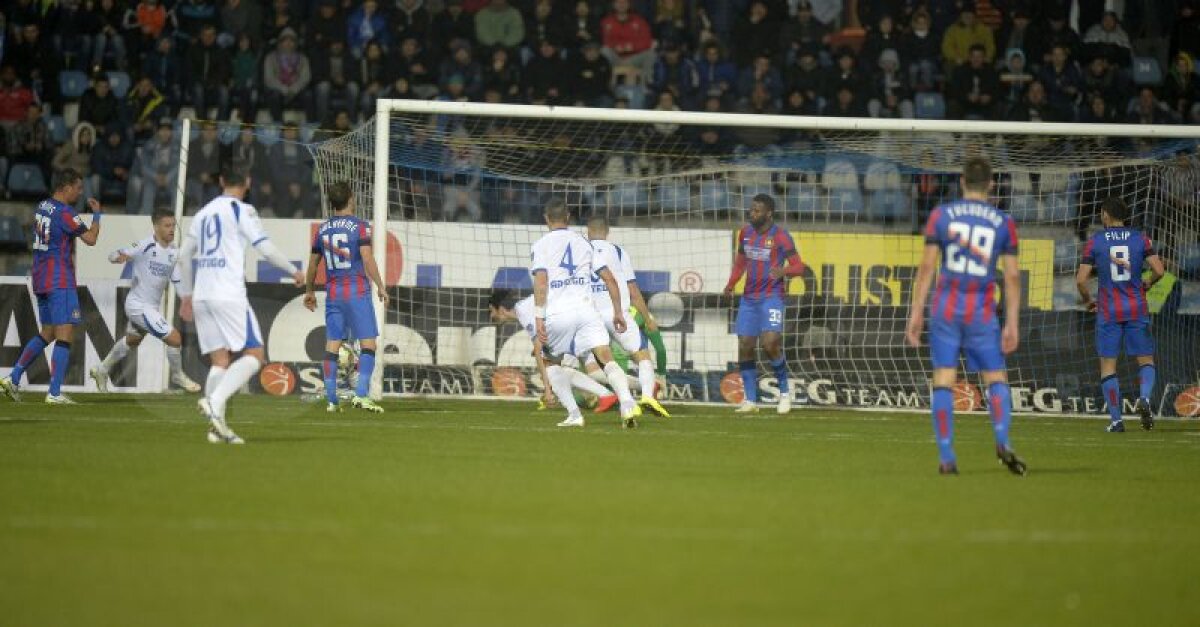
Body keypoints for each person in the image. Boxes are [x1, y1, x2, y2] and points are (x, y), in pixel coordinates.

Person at [904, 157, 1026, 476]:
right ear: (991, 184)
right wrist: (1012, 322)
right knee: (995, 377)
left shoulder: (941, 215)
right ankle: (1002, 440)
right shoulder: (1003, 222)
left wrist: (916, 312)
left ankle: (947, 457)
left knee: (944, 377)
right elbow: (1012, 276)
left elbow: (927, 267)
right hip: (981, 310)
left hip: (946, 307)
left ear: (961, 182)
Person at [178, 167, 304, 444]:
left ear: (221, 181)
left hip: (202, 295)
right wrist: (293, 271)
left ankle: (216, 429)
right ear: (247, 183)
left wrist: (185, 295)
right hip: (228, 293)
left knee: (220, 360)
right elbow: (265, 249)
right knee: (255, 355)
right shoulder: (242, 210)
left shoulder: (203, 213)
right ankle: (214, 401)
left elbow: (183, 256)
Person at [530, 198, 640, 428]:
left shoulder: (541, 245)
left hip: (559, 313)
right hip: (587, 312)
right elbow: (610, 279)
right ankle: (627, 403)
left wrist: (539, 317)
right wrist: (618, 312)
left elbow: (541, 283)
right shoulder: (584, 243)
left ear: (546, 219)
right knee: (606, 358)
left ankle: (574, 414)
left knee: (550, 362)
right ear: (568, 217)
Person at [0, 169, 102, 404]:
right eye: (78, 188)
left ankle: (13, 378)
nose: (80, 192)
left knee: (48, 332)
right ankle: (54, 392)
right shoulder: (66, 212)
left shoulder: (42, 206)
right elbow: (91, 239)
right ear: (66, 187)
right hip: (59, 278)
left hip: (40, 276)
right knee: (65, 332)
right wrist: (97, 216)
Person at [1075, 197, 1166, 432]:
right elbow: (1159, 270)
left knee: (1108, 366)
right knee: (1146, 360)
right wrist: (1147, 284)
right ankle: (1144, 398)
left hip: (1109, 310)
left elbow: (1081, 280)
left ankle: (1116, 421)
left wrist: (1088, 302)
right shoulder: (1140, 238)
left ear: (1105, 215)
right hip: (1136, 307)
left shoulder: (1096, 241)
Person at [90, 210, 202, 394]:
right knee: (175, 338)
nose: (171, 229)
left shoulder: (174, 251)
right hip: (138, 305)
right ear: (156, 227)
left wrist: (187, 300)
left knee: (133, 340)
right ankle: (177, 375)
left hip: (150, 307)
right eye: (167, 226)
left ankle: (102, 370)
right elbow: (113, 254)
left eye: (173, 225)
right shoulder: (144, 245)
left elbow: (177, 280)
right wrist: (118, 257)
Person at [302, 181, 388, 413]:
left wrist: (309, 291)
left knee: (332, 345)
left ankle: (332, 400)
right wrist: (380, 285)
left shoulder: (322, 229)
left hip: (333, 294)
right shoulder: (360, 226)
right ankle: (361, 395)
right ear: (351, 198)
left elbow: (313, 264)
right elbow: (367, 258)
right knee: (368, 344)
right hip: (357, 291)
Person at [722, 194, 803, 414]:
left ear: (769, 213)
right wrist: (731, 284)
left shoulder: (781, 236)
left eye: (757, 211)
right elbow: (740, 263)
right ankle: (750, 401)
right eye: (751, 209)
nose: (752, 213)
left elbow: (799, 267)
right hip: (749, 299)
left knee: (770, 343)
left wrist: (784, 271)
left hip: (771, 298)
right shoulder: (745, 233)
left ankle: (784, 394)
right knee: (745, 345)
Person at [586, 216, 669, 418]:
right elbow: (632, 289)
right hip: (617, 314)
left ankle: (625, 402)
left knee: (601, 363)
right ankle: (647, 395)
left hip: (590, 318)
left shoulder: (581, 250)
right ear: (607, 232)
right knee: (642, 354)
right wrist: (647, 318)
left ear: (588, 231)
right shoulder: (618, 252)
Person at [487, 289, 618, 413]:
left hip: (576, 325)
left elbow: (539, 351)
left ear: (501, 309)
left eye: (492, 311)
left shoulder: (524, 312)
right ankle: (622, 390)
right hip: (580, 321)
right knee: (595, 374)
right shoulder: (526, 308)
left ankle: (602, 396)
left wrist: (547, 389)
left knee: (558, 371)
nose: (492, 316)